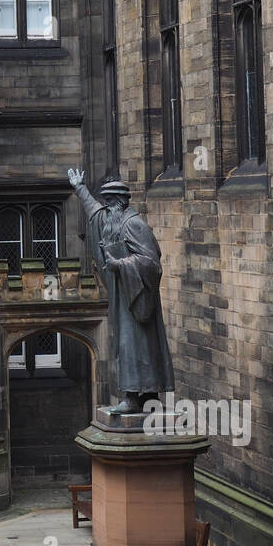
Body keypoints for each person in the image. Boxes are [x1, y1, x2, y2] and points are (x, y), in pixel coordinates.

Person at [69, 168, 176, 414]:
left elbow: (152, 263)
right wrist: (80, 188)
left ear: (118, 202)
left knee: (138, 345)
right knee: (128, 345)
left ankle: (139, 396)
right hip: (124, 295)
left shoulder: (134, 225)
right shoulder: (113, 221)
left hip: (138, 296)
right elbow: (95, 213)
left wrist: (120, 265)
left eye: (107, 203)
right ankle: (137, 396)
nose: (103, 208)